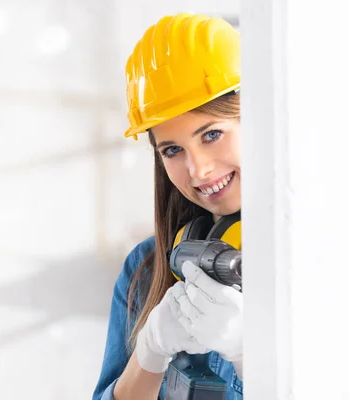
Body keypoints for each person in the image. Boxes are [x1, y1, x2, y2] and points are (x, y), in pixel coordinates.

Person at [92, 12, 243, 400]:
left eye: (211, 134)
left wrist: (251, 354)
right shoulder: (145, 269)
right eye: (172, 150)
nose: (199, 170)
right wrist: (150, 352)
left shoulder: (321, 261)